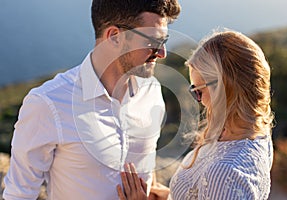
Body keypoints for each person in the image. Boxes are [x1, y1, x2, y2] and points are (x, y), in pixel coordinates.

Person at [3, 0, 181, 199]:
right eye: (153, 42)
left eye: (163, 41)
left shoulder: (153, 92)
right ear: (114, 37)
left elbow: (147, 170)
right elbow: (19, 194)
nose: (163, 54)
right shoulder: (48, 103)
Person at [117, 29, 274, 200]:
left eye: (198, 91)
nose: (198, 100)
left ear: (224, 87)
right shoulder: (257, 135)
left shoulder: (225, 173)